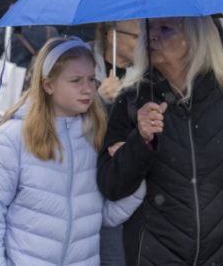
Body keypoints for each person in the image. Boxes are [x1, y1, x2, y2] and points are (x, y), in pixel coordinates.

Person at [98, 17, 223, 265]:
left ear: (196, 38)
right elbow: (111, 186)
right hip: (153, 258)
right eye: (149, 29)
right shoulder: (130, 101)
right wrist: (140, 140)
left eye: (165, 29)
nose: (152, 36)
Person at [0, 37, 144, 265]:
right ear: (48, 85)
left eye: (92, 79)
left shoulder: (96, 137)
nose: (88, 89)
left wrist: (133, 167)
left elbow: (104, 216)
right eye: (76, 80)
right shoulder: (13, 138)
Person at [91, 20, 139, 266]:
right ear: (112, 36)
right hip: (87, 184)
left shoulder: (144, 77)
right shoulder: (83, 66)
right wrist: (97, 100)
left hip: (124, 192)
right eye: (136, 37)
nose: (142, 43)